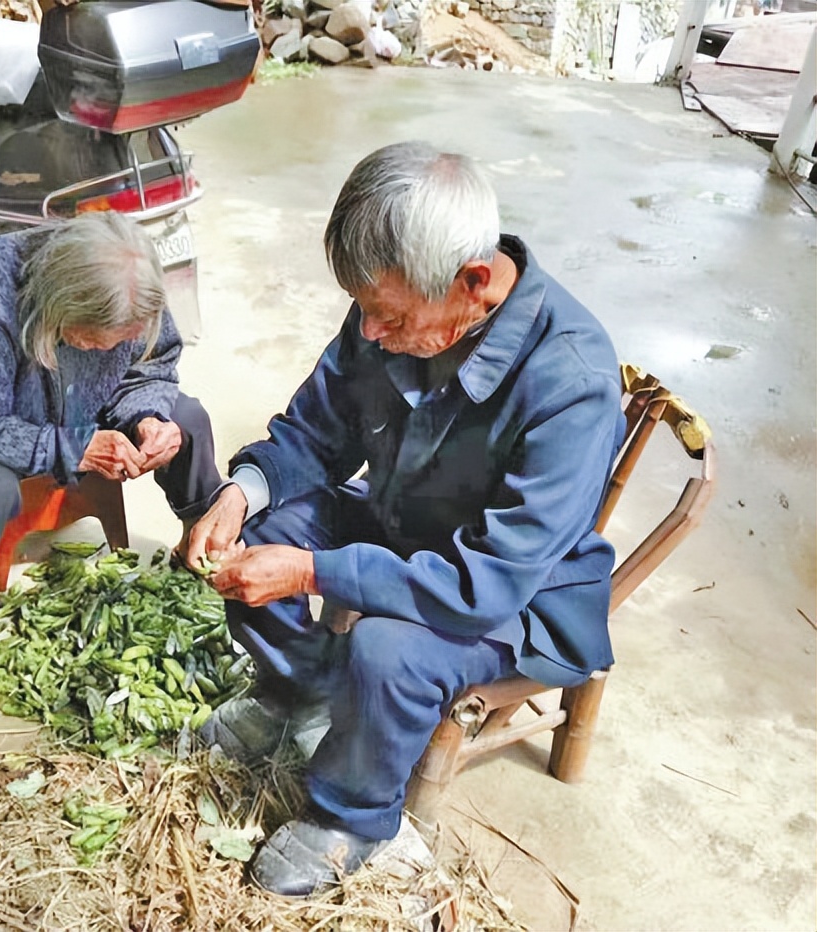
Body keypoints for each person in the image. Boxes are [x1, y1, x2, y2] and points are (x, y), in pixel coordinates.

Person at [185, 142, 626, 897]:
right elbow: (315, 431)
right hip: (404, 521)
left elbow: (482, 587)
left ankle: (350, 819)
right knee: (260, 531)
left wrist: (315, 571)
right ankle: (303, 693)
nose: (371, 333)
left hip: (515, 593)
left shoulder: (571, 386)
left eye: (388, 317)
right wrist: (241, 493)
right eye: (364, 310)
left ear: (473, 283)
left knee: (389, 649)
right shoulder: (398, 308)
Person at [0, 211, 222, 736]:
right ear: (58, 309)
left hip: (81, 406)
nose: (109, 350)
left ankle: (203, 545)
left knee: (189, 420)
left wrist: (149, 417)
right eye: (95, 341)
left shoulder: (134, 288)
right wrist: (75, 449)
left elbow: (154, 364)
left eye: (121, 340)